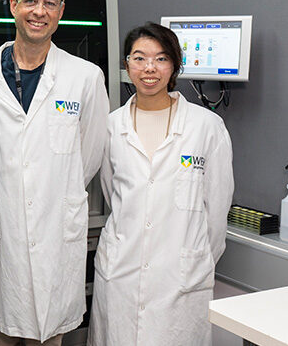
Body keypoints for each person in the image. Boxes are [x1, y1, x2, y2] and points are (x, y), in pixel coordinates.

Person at [0, 0, 109, 345]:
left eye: (49, 3)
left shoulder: (85, 76)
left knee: (49, 334)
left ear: (61, 11)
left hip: (55, 230)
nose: (38, 11)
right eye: (30, 1)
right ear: (14, 6)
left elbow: (89, 155)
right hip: (0, 229)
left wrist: (53, 190)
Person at [88, 23, 234, 345]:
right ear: (127, 66)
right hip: (120, 276)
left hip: (180, 281)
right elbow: (117, 197)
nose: (149, 68)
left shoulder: (206, 126)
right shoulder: (112, 127)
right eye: (139, 58)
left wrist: (190, 260)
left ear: (174, 66)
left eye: (161, 58)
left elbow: (216, 213)